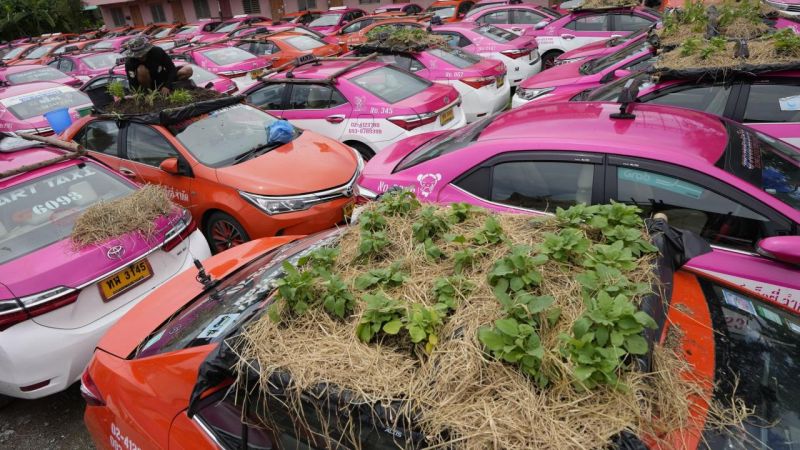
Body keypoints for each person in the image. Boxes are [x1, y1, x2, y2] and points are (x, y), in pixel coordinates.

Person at [123, 36, 192, 94]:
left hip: (163, 78)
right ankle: (150, 93)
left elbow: (171, 69)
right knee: (141, 70)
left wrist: (167, 86)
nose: (141, 57)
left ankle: (173, 87)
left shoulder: (157, 52)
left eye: (143, 54)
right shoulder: (130, 62)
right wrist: (138, 95)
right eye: (138, 55)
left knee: (188, 70)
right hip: (148, 86)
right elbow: (132, 82)